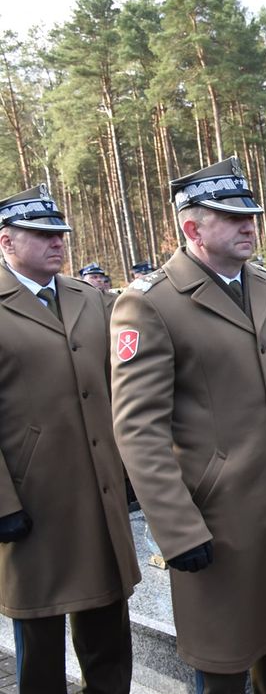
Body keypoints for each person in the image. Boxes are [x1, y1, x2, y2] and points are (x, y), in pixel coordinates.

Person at [111, 156, 266, 693]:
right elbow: (139, 429)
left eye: (250, 215)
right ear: (193, 228)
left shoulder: (264, 286)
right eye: (232, 218)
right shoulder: (151, 305)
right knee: (224, 662)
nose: (249, 225)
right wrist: (177, 530)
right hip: (219, 517)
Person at [0, 185, 140, 694]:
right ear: (6, 241)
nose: (57, 242)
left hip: (99, 491)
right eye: (41, 234)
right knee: (40, 634)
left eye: (60, 233)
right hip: (33, 497)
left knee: (108, 624)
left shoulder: (89, 298)